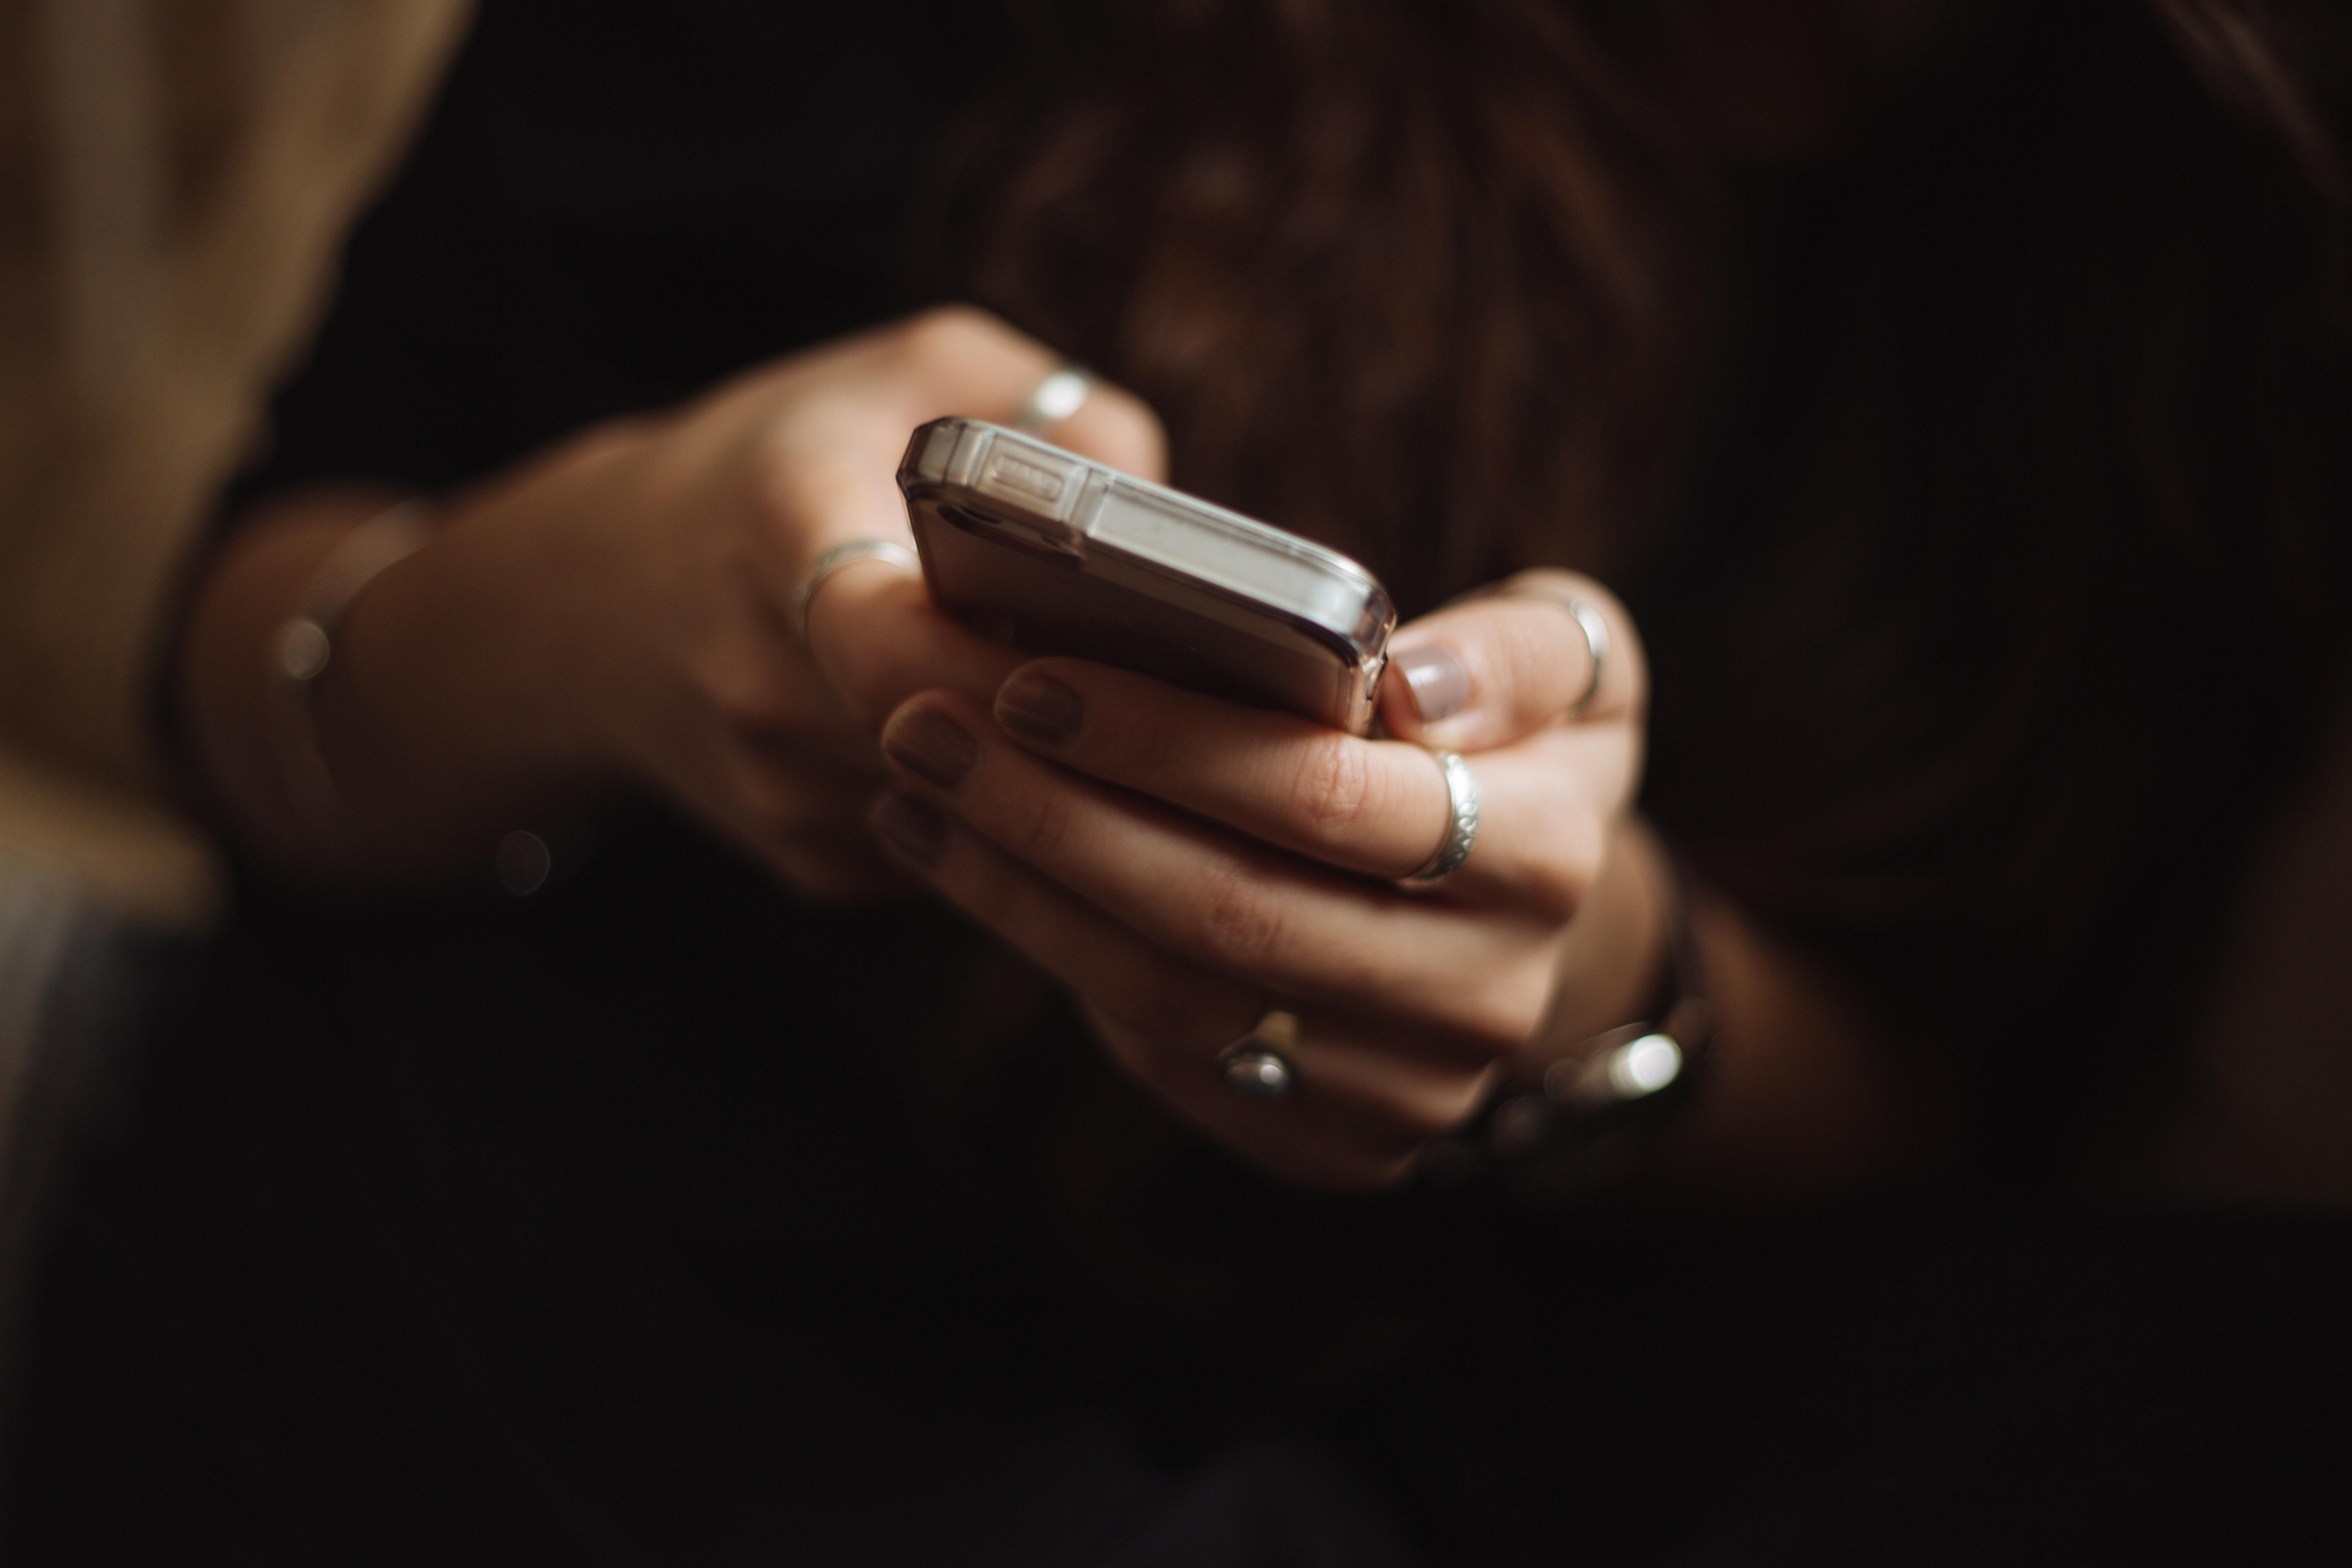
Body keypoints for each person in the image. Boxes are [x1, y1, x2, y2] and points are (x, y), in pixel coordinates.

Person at [9, 0, 2351, 1561]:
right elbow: (245, 690)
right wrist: (621, 597)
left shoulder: (2230, 213)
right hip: (398, 1364)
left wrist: (1598, 986)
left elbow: (2011, 1155)